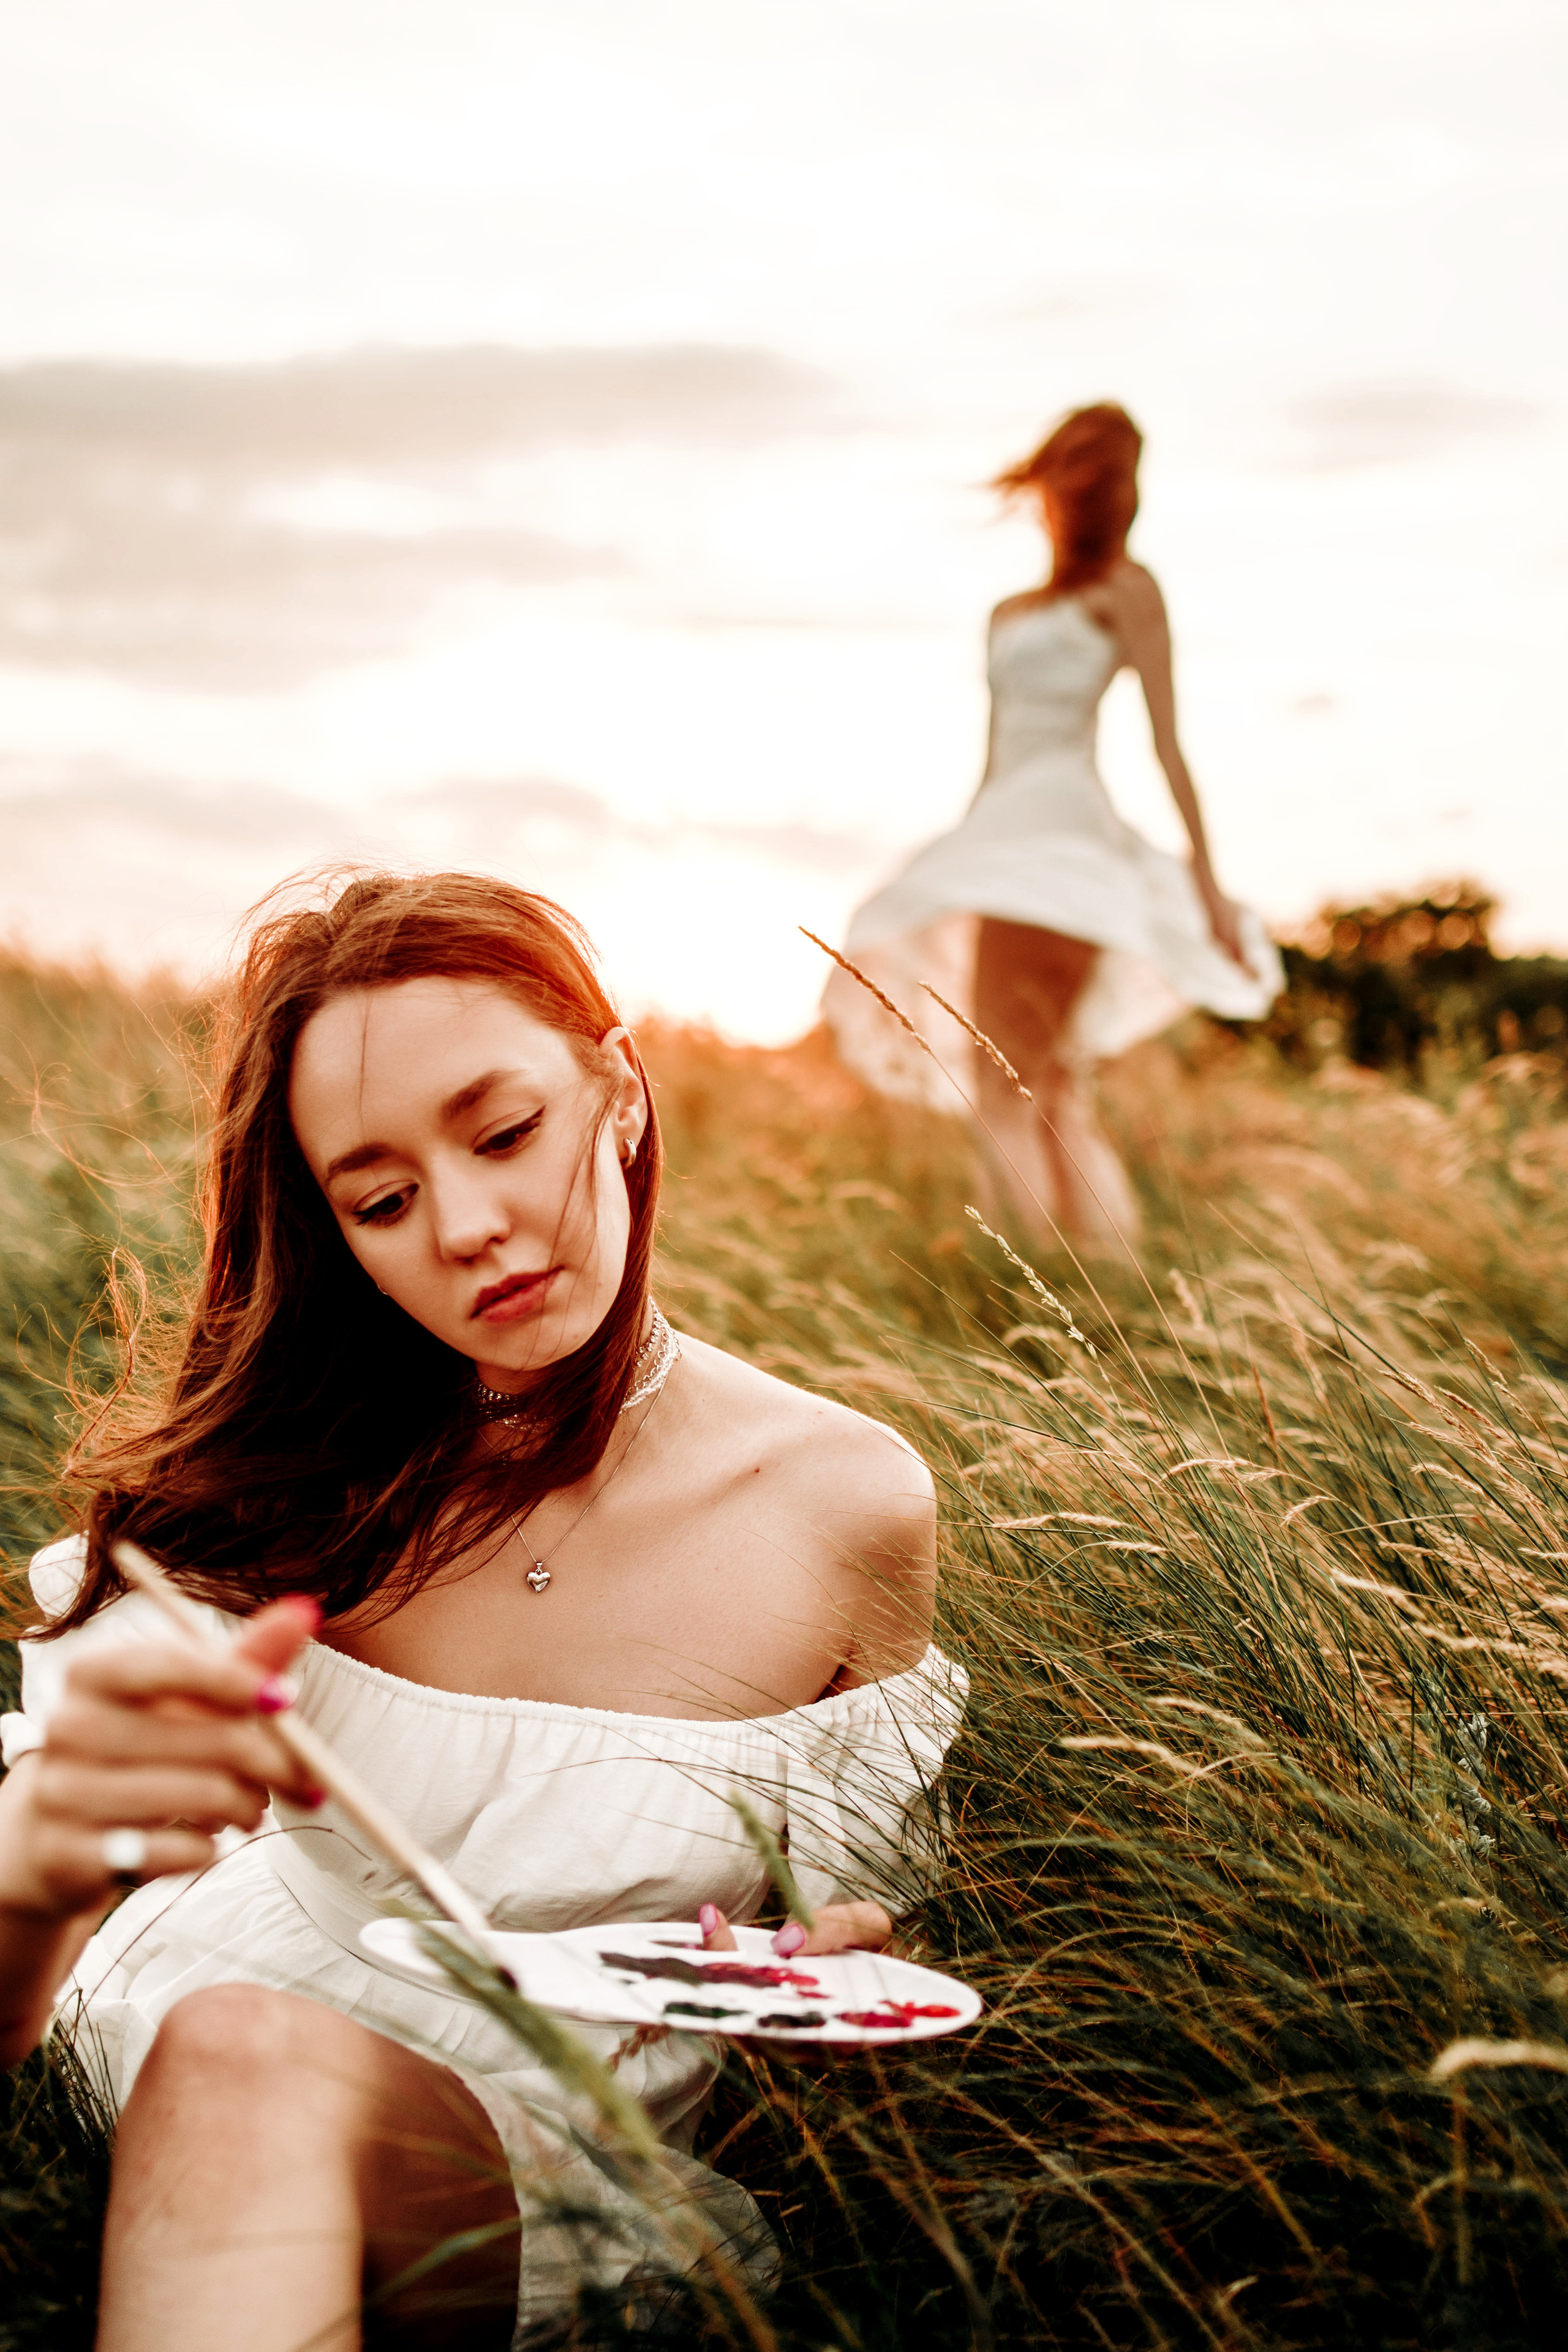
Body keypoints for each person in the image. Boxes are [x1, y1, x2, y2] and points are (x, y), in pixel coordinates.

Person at [0, 872, 962, 2350]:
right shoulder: (273, 1485)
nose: (464, 1226)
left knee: (253, 2063)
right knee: (244, 2047)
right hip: (205, 2022)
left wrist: (838, 1949)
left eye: (503, 1133)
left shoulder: (844, 1505)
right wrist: (37, 1884)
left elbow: (859, 1931)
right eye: (381, 1199)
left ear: (619, 1090)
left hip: (560, 2149)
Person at [824, 402, 1283, 1247]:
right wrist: (967, 859)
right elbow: (996, 761)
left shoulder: (1128, 591)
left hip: (1069, 846)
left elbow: (1168, 748)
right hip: (1011, 834)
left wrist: (1209, 891)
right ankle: (1108, 1291)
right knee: (1048, 1084)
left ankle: (1033, 1295)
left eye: (1114, 476)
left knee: (1010, 1083)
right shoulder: (1008, 612)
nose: (1101, 493)